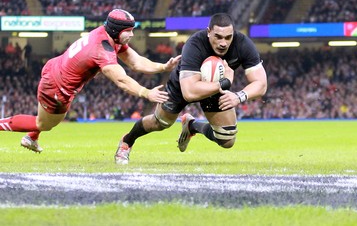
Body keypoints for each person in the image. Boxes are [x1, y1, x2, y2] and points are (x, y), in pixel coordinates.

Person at [0, 9, 181, 153]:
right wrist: (146, 92)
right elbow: (122, 80)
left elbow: (135, 62)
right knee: (44, 123)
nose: (132, 35)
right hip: (58, 86)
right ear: (117, 31)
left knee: (47, 119)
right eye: (129, 31)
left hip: (55, 68)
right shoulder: (102, 49)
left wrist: (163, 67)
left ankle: (31, 137)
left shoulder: (107, 34)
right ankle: (18, 131)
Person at [114, 13, 267, 164]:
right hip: (183, 85)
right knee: (159, 123)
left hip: (216, 90)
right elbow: (189, 92)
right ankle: (127, 141)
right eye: (218, 37)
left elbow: (261, 84)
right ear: (208, 32)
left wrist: (239, 96)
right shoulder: (195, 44)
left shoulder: (243, 44)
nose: (223, 43)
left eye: (228, 37)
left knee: (226, 139)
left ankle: (191, 126)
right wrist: (224, 83)